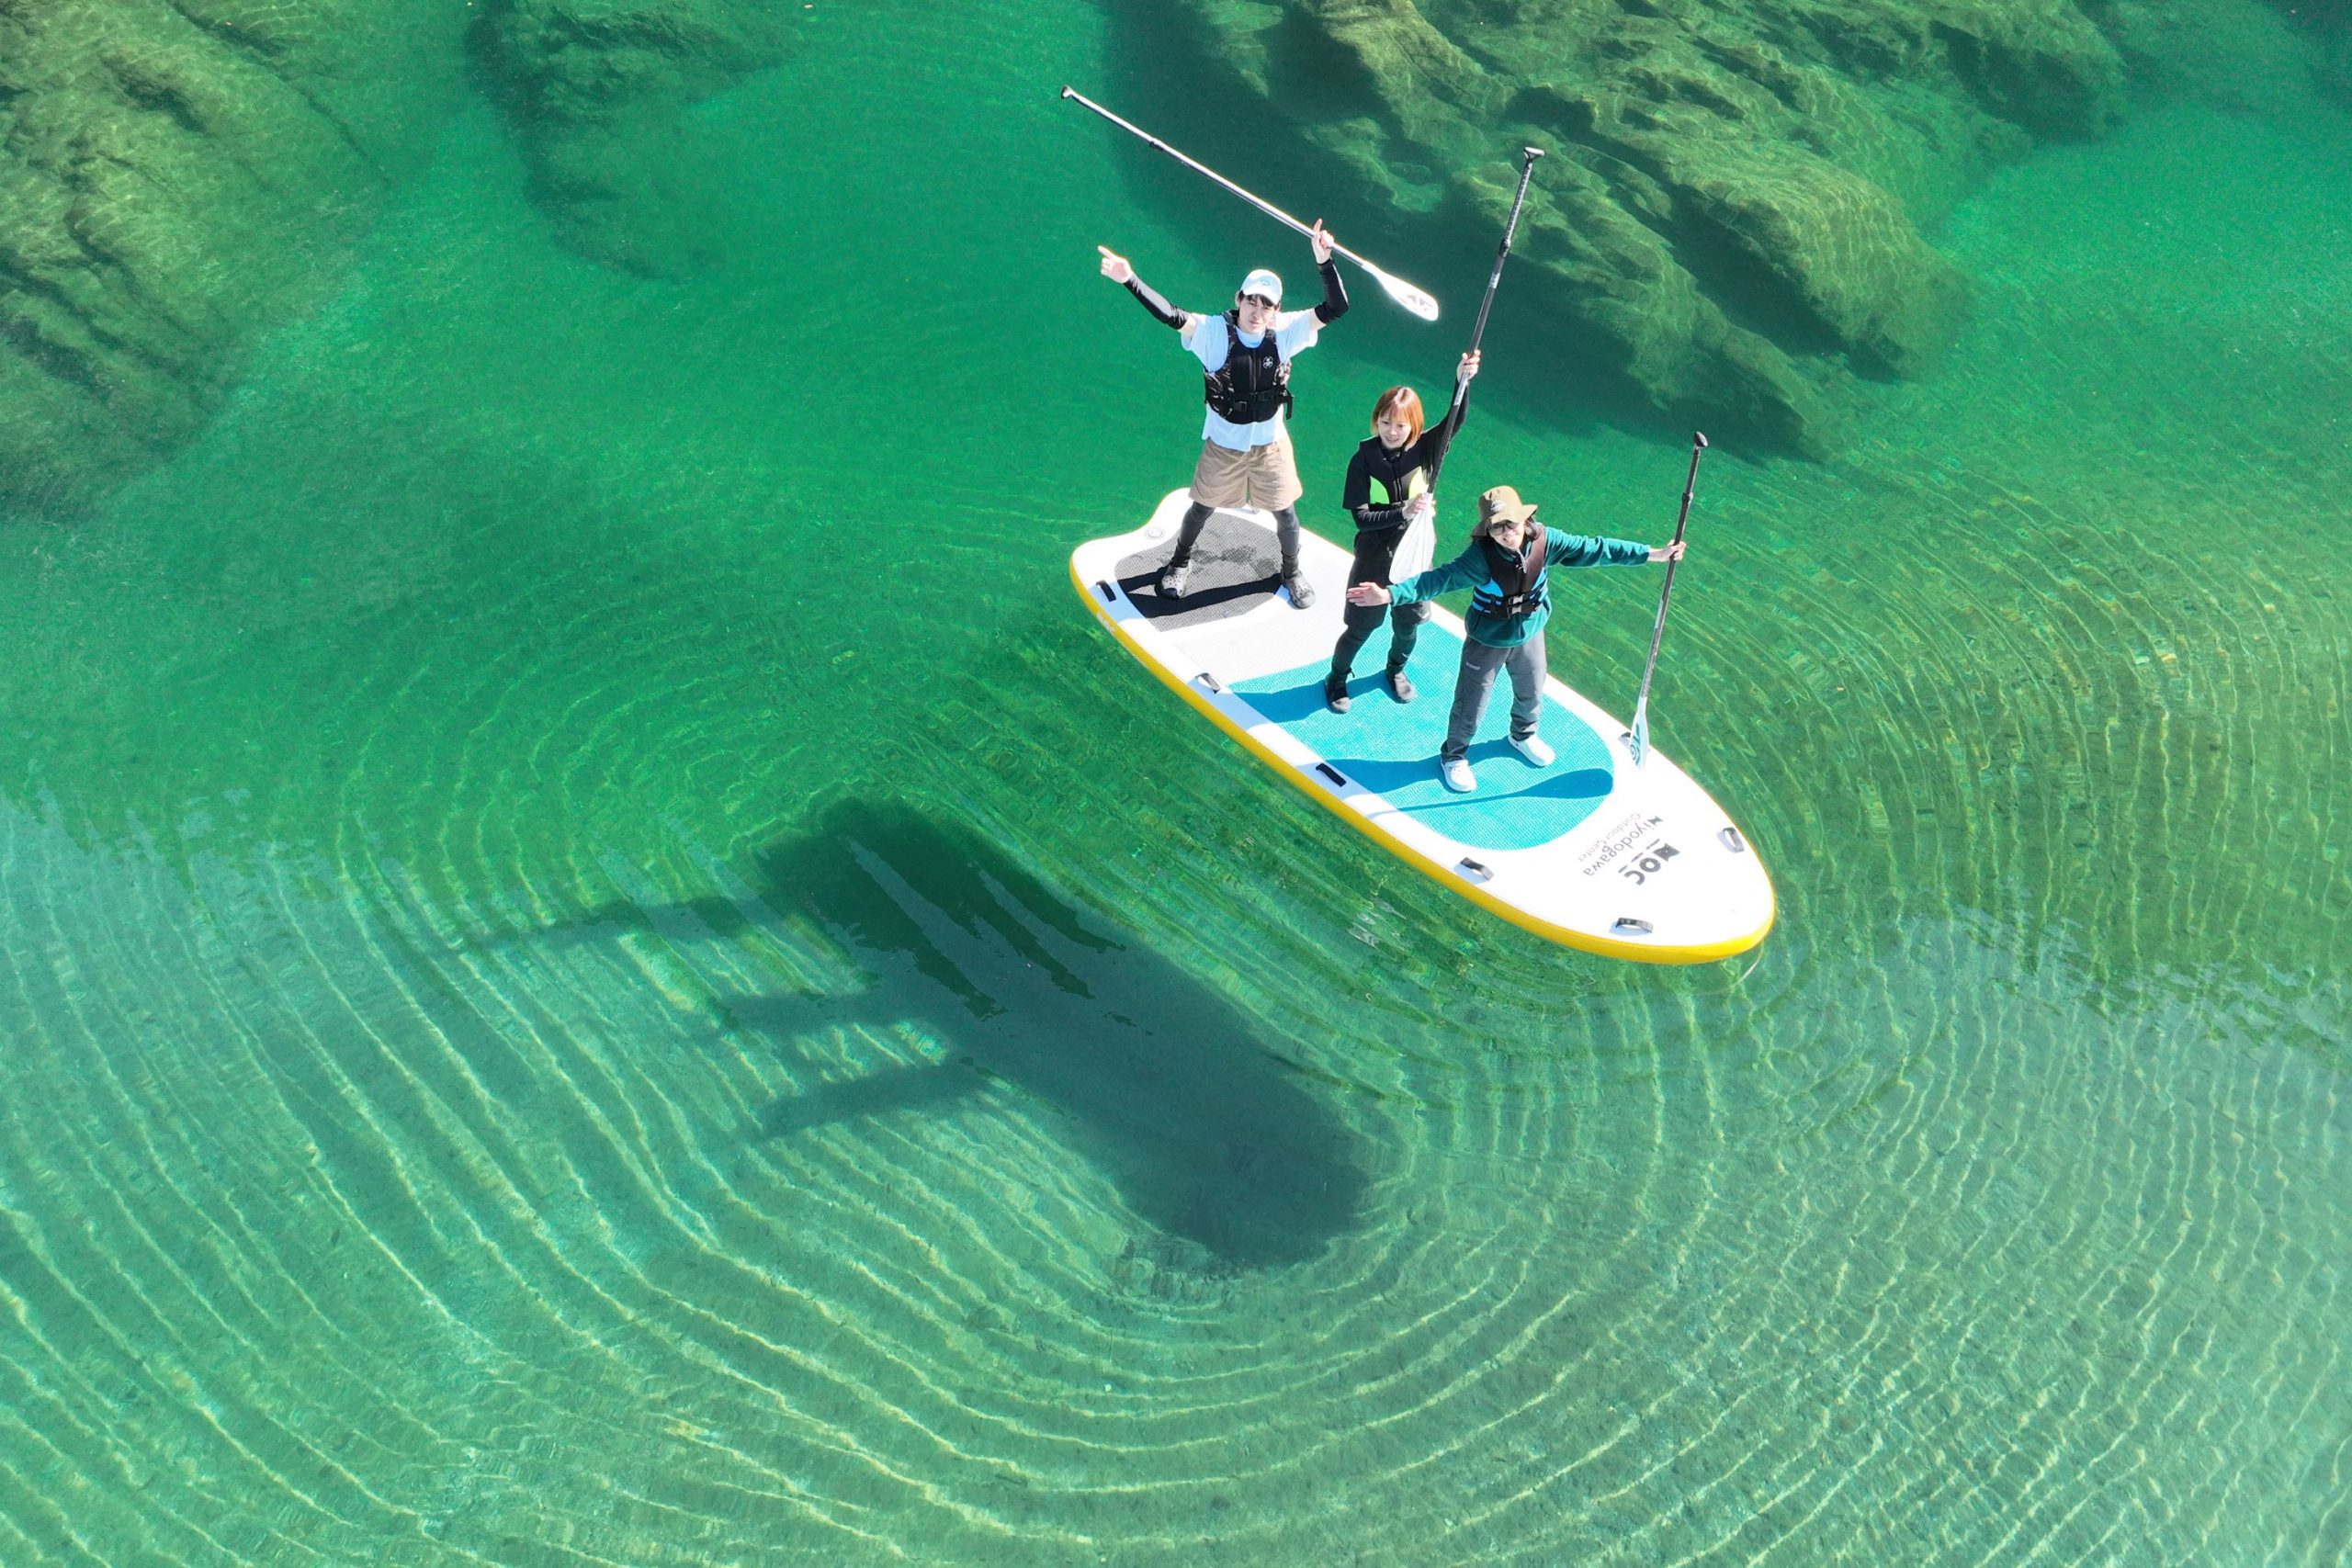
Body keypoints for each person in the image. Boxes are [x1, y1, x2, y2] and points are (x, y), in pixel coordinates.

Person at [1346, 485, 1683, 794]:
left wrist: (1652, 553)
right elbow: (1438, 580)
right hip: (1488, 640)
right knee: (1471, 703)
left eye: (1511, 523)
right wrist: (1389, 595)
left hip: (1530, 633)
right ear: (1487, 530)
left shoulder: (1546, 541)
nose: (1506, 533)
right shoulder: (1480, 558)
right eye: (1496, 527)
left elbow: (1596, 548)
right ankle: (1454, 756)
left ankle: (1522, 735)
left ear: (1525, 519)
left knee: (1532, 689)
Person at [1096, 223, 1350, 607]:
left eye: (1267, 304)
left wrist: (1324, 260)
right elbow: (1170, 315)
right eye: (1252, 301)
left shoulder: (1285, 331)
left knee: (1286, 515)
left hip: (1270, 446)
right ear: (1238, 298)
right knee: (1200, 508)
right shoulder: (1213, 332)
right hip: (1223, 446)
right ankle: (1179, 563)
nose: (1257, 310)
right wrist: (1129, 278)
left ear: (1276, 309)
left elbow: (1336, 307)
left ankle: (1291, 571)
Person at [1323, 349, 1480, 713]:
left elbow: (1454, 421)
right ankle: (1337, 677)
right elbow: (1361, 519)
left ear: (1413, 426)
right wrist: (1403, 510)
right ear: (1375, 421)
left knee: (1408, 626)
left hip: (1413, 558)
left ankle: (1395, 669)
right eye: (1385, 423)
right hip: (1374, 558)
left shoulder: (1425, 449)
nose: (1392, 432)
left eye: (1401, 425)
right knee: (1361, 627)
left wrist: (1463, 380)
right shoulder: (1362, 460)